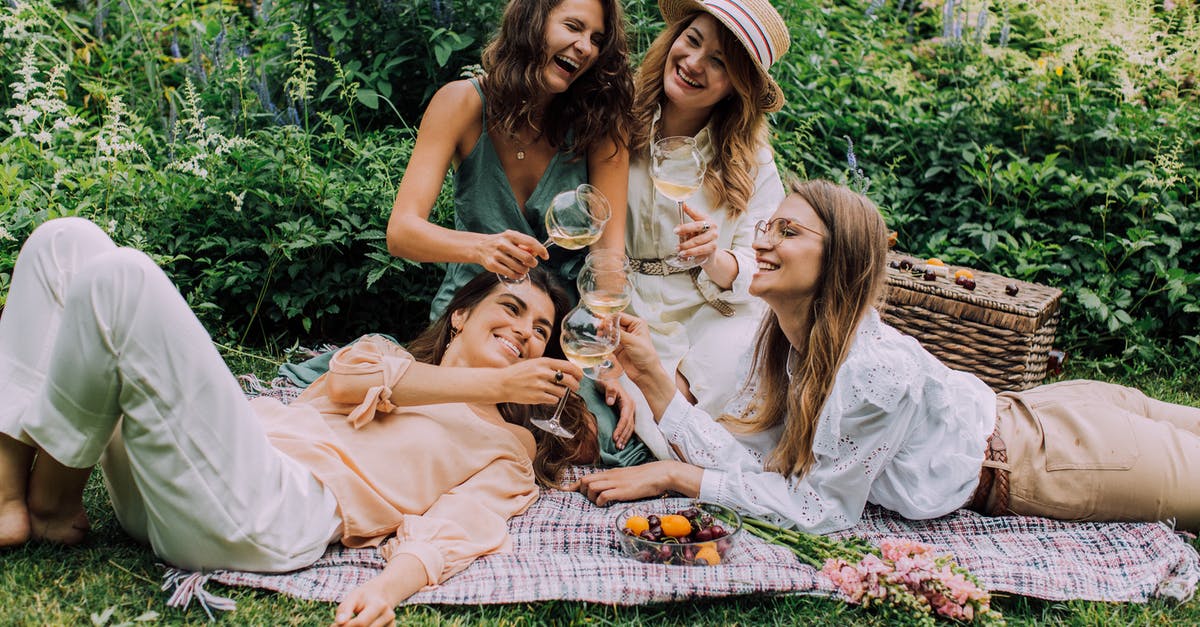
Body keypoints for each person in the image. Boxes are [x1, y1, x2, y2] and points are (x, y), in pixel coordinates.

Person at [0, 218, 596, 626]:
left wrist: (385, 590)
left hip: (267, 512)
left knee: (121, 280)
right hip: (198, 475)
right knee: (65, 241)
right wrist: (492, 383)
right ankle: (7, 495)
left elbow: (462, 524)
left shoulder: (509, 444)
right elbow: (350, 383)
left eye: (540, 330)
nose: (524, 330)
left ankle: (53, 502)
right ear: (462, 316)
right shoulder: (386, 357)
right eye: (512, 308)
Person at [575, 179, 1200, 533]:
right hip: (1042, 410)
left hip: (1055, 459)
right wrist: (654, 375)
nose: (762, 243)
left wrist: (677, 475)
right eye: (768, 227)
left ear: (839, 259)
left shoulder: (869, 371)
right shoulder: (793, 343)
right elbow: (765, 469)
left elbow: (821, 511)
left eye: (788, 233)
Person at [383, 0, 643, 464]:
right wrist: (481, 248)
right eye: (573, 27)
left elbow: (608, 266)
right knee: (445, 422)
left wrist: (605, 358)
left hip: (555, 336)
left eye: (597, 39)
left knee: (587, 440)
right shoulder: (461, 103)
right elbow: (402, 233)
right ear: (532, 21)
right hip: (477, 319)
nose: (584, 47)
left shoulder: (602, 127)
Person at [620, 0, 789, 459]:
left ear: (738, 86)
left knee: (739, 381)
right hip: (628, 302)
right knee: (629, 408)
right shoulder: (619, 121)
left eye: (719, 62)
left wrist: (718, 259)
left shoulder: (750, 160)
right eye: (692, 41)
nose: (694, 63)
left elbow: (768, 262)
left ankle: (697, 466)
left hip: (712, 312)